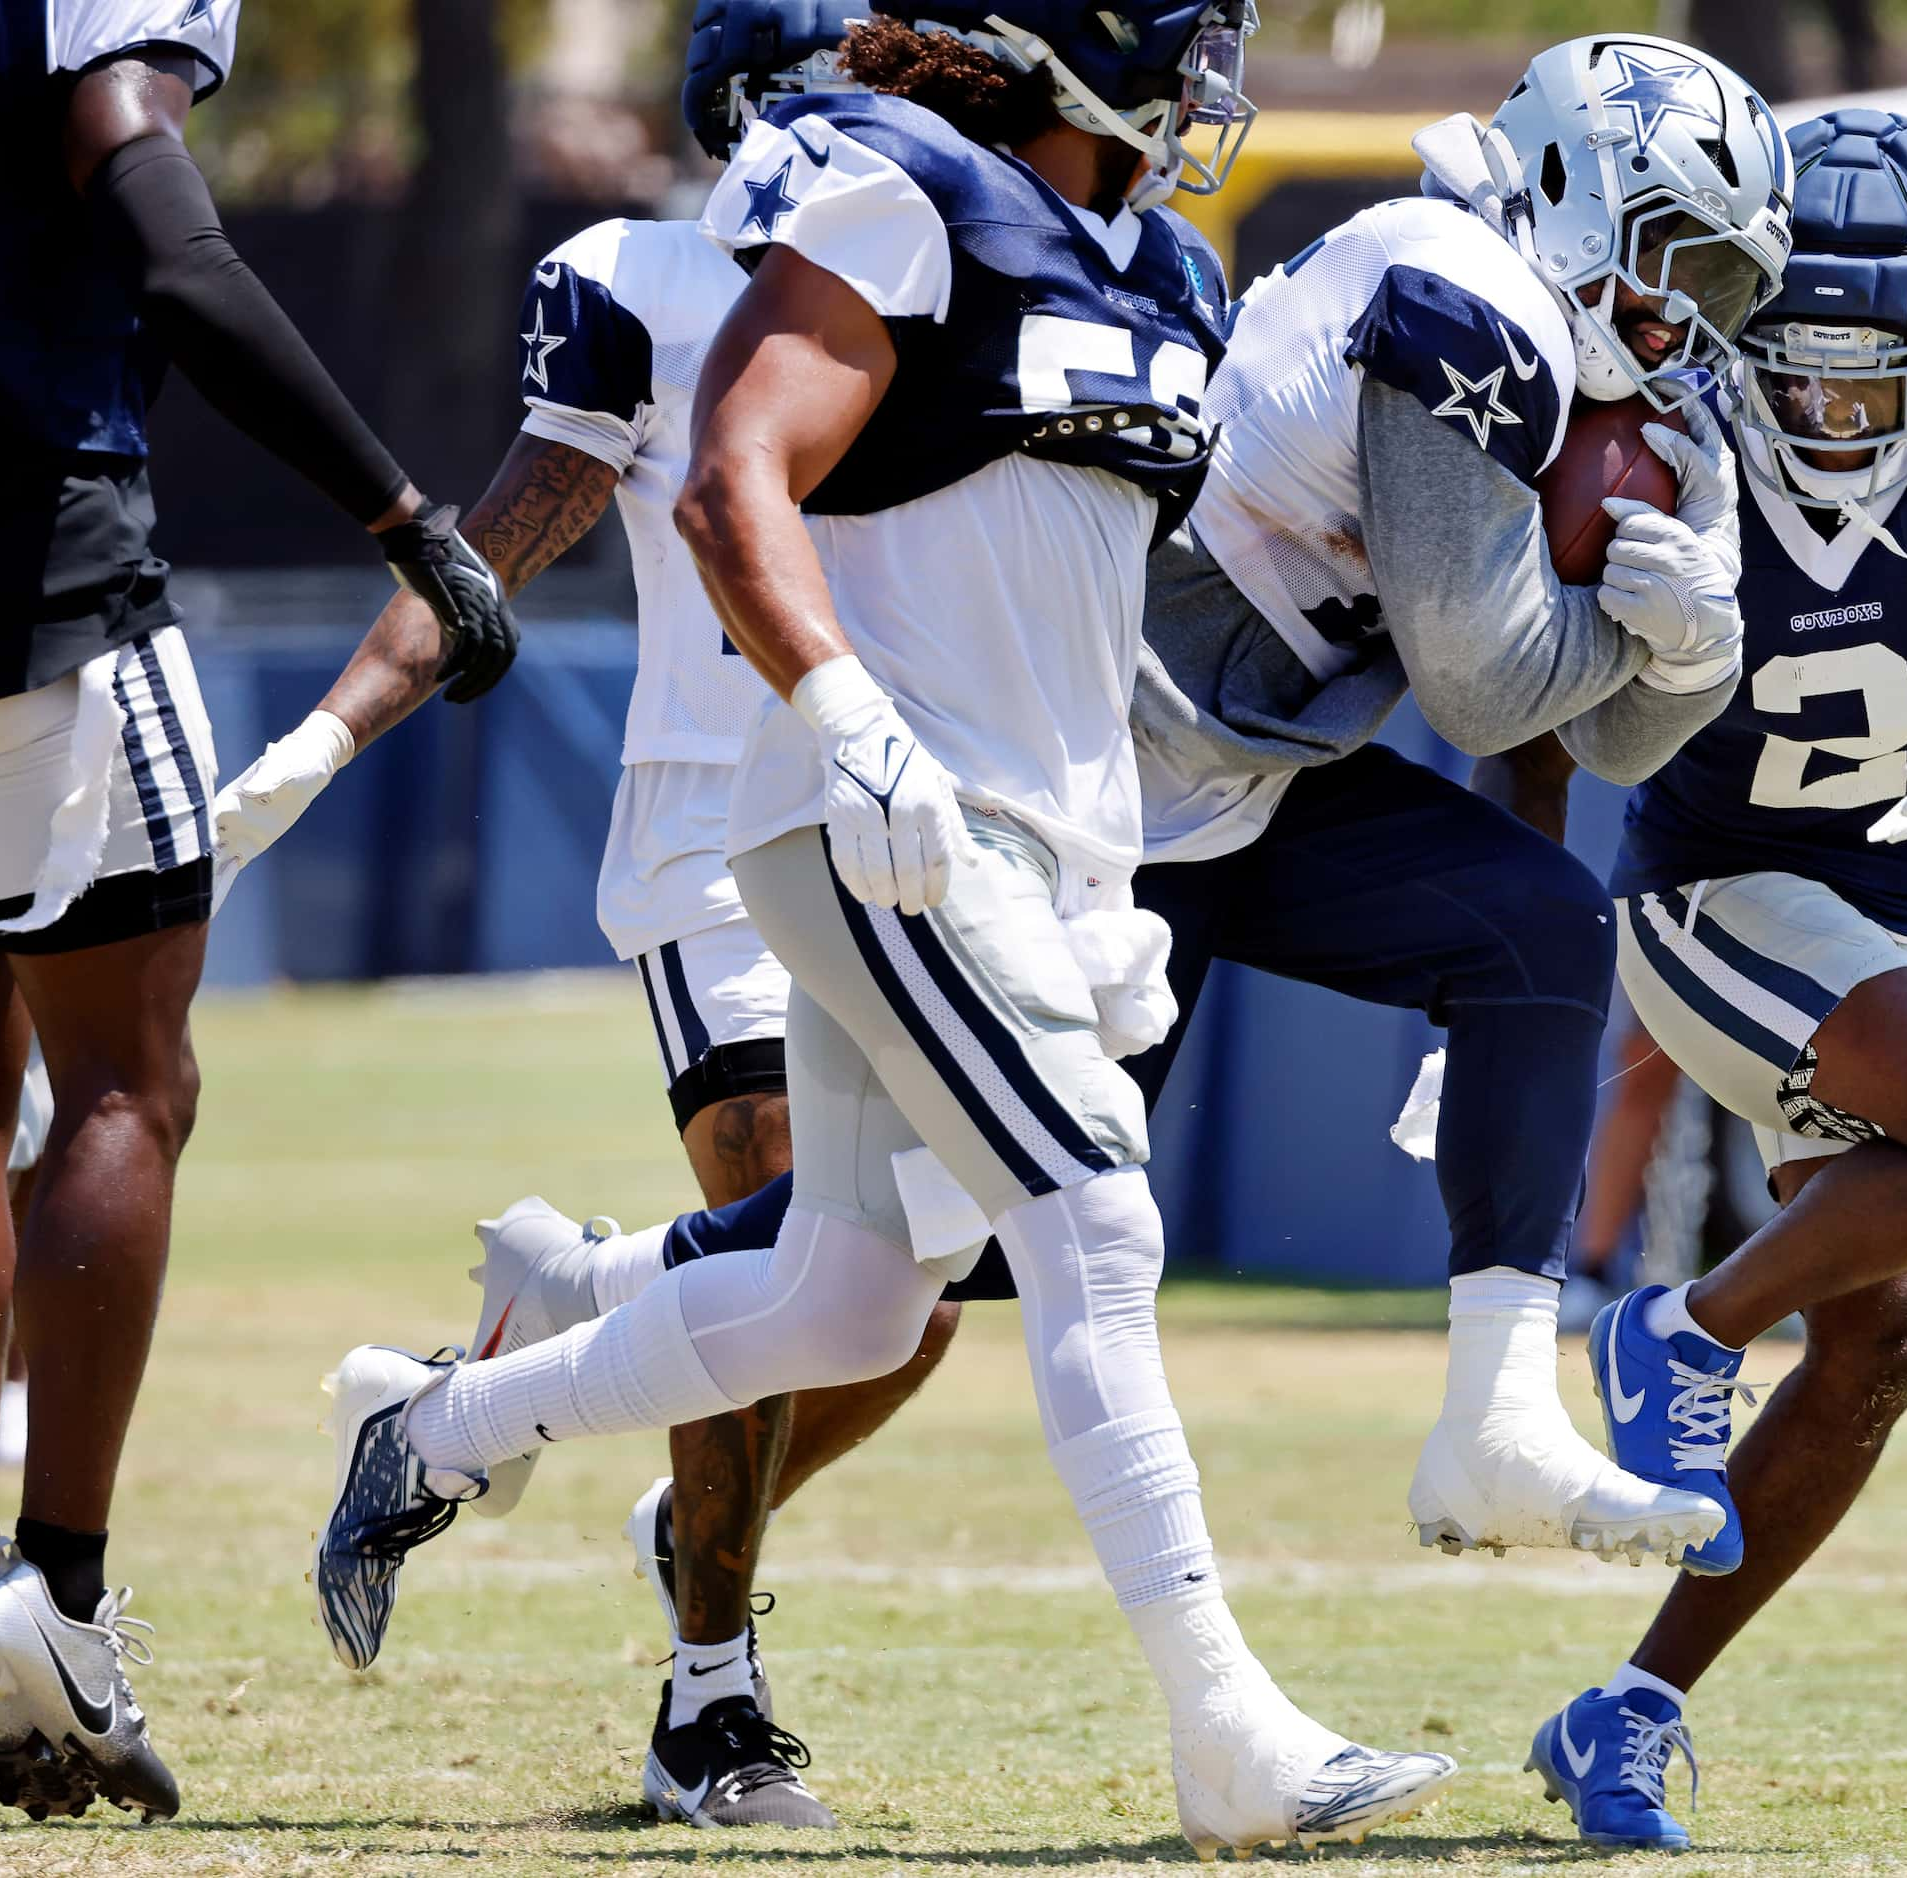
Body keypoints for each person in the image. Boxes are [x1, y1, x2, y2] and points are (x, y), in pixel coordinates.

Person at [306, 7, 1463, 1853]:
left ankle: (441, 1430)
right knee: (1093, 1220)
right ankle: (1223, 1728)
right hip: (875, 809)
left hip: (1043, 827)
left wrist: (1117, 862)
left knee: (850, 1292)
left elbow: (1096, 592)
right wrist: (849, 721)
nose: (1214, 73)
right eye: (1195, 32)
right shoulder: (897, 185)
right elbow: (723, 480)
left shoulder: (1161, 258)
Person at [467, 30, 1792, 1573]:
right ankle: (554, 1316)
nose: (1689, 315)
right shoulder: (1463, 288)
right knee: (951, 1246)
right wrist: (1665, 623)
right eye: (1680, 259)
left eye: (1727, 287)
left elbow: (1616, 740)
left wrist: (1701, 639)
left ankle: (1493, 1422)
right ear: (1573, 188)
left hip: (1243, 771)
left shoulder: (1551, 343)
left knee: (1542, 932)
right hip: (1108, 771)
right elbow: (1491, 689)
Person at [211, 1, 978, 1825]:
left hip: (903, 815)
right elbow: (501, 534)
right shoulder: (635, 276)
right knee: (790, 1245)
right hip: (718, 824)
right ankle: (704, 1703)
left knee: (903, 1298)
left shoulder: (971, 262)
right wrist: (319, 739)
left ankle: (565, 1323)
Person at [0, 0, 514, 1824]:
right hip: (35, 545)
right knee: (123, 1080)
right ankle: (70, 1592)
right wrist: (404, 512)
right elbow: (170, 246)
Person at [1526, 110, 1907, 1849]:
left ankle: (1625, 1707)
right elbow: (1533, 705)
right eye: (1786, 360)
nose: (1819, 407)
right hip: (1714, 891)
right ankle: (1680, 1322)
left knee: (1882, 1339)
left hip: (1896, 912)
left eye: (1869, 376)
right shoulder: (1651, 427)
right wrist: (1503, 957)